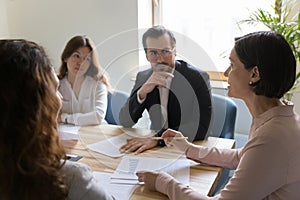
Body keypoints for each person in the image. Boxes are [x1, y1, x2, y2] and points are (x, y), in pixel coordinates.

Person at [136, 31, 300, 199]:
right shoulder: (274, 118)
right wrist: (188, 148)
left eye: (232, 65)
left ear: (254, 74)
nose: (227, 72)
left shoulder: (272, 136)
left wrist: (163, 182)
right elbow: (240, 157)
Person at [0, 39, 113, 200]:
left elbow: (96, 116)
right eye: (53, 89)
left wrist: (66, 117)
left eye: (86, 59)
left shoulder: (96, 83)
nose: (59, 97)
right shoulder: (71, 178)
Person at [119, 25, 212, 154]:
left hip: (187, 147)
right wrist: (142, 92)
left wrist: (158, 139)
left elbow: (202, 127)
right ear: (146, 56)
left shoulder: (197, 78)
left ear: (175, 51)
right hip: (154, 150)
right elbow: (125, 121)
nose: (160, 59)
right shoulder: (143, 77)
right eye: (153, 53)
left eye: (165, 51)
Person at [58, 35, 109, 126]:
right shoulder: (57, 85)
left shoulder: (98, 83)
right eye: (76, 56)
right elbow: (51, 115)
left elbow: (98, 117)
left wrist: (64, 117)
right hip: (66, 134)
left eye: (87, 59)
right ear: (66, 57)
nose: (81, 63)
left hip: (96, 133)